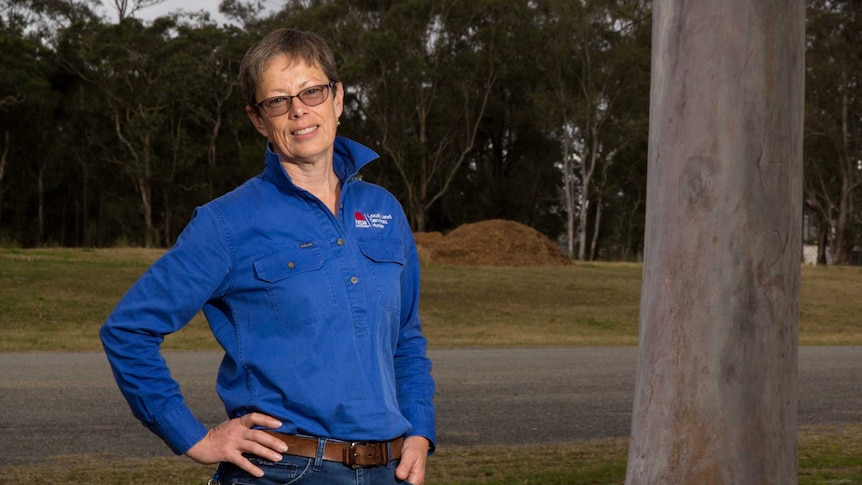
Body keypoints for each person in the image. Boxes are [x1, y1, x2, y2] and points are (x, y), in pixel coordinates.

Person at [100, 28, 436, 485]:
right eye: (278, 101)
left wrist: (419, 431)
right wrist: (194, 438)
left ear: (337, 98)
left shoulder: (384, 210)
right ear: (259, 119)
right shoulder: (226, 223)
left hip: (390, 471)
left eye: (312, 91)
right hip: (286, 472)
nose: (299, 110)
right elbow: (128, 330)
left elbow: (406, 341)